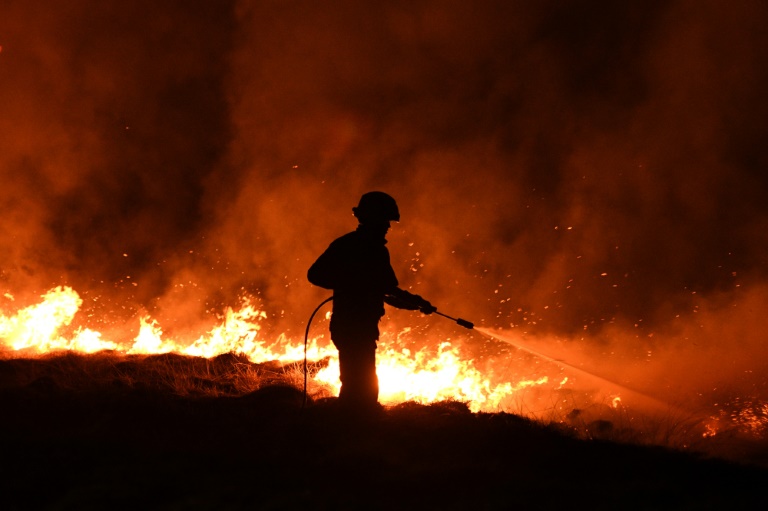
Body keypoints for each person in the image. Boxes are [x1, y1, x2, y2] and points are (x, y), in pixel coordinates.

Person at [307, 191, 435, 411]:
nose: (388, 226)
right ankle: (353, 423)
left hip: (364, 327)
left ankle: (354, 420)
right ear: (370, 219)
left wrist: (416, 303)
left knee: (362, 384)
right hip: (350, 326)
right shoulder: (349, 245)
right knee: (359, 386)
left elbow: (387, 291)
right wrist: (351, 282)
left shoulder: (377, 251)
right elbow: (315, 274)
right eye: (384, 221)